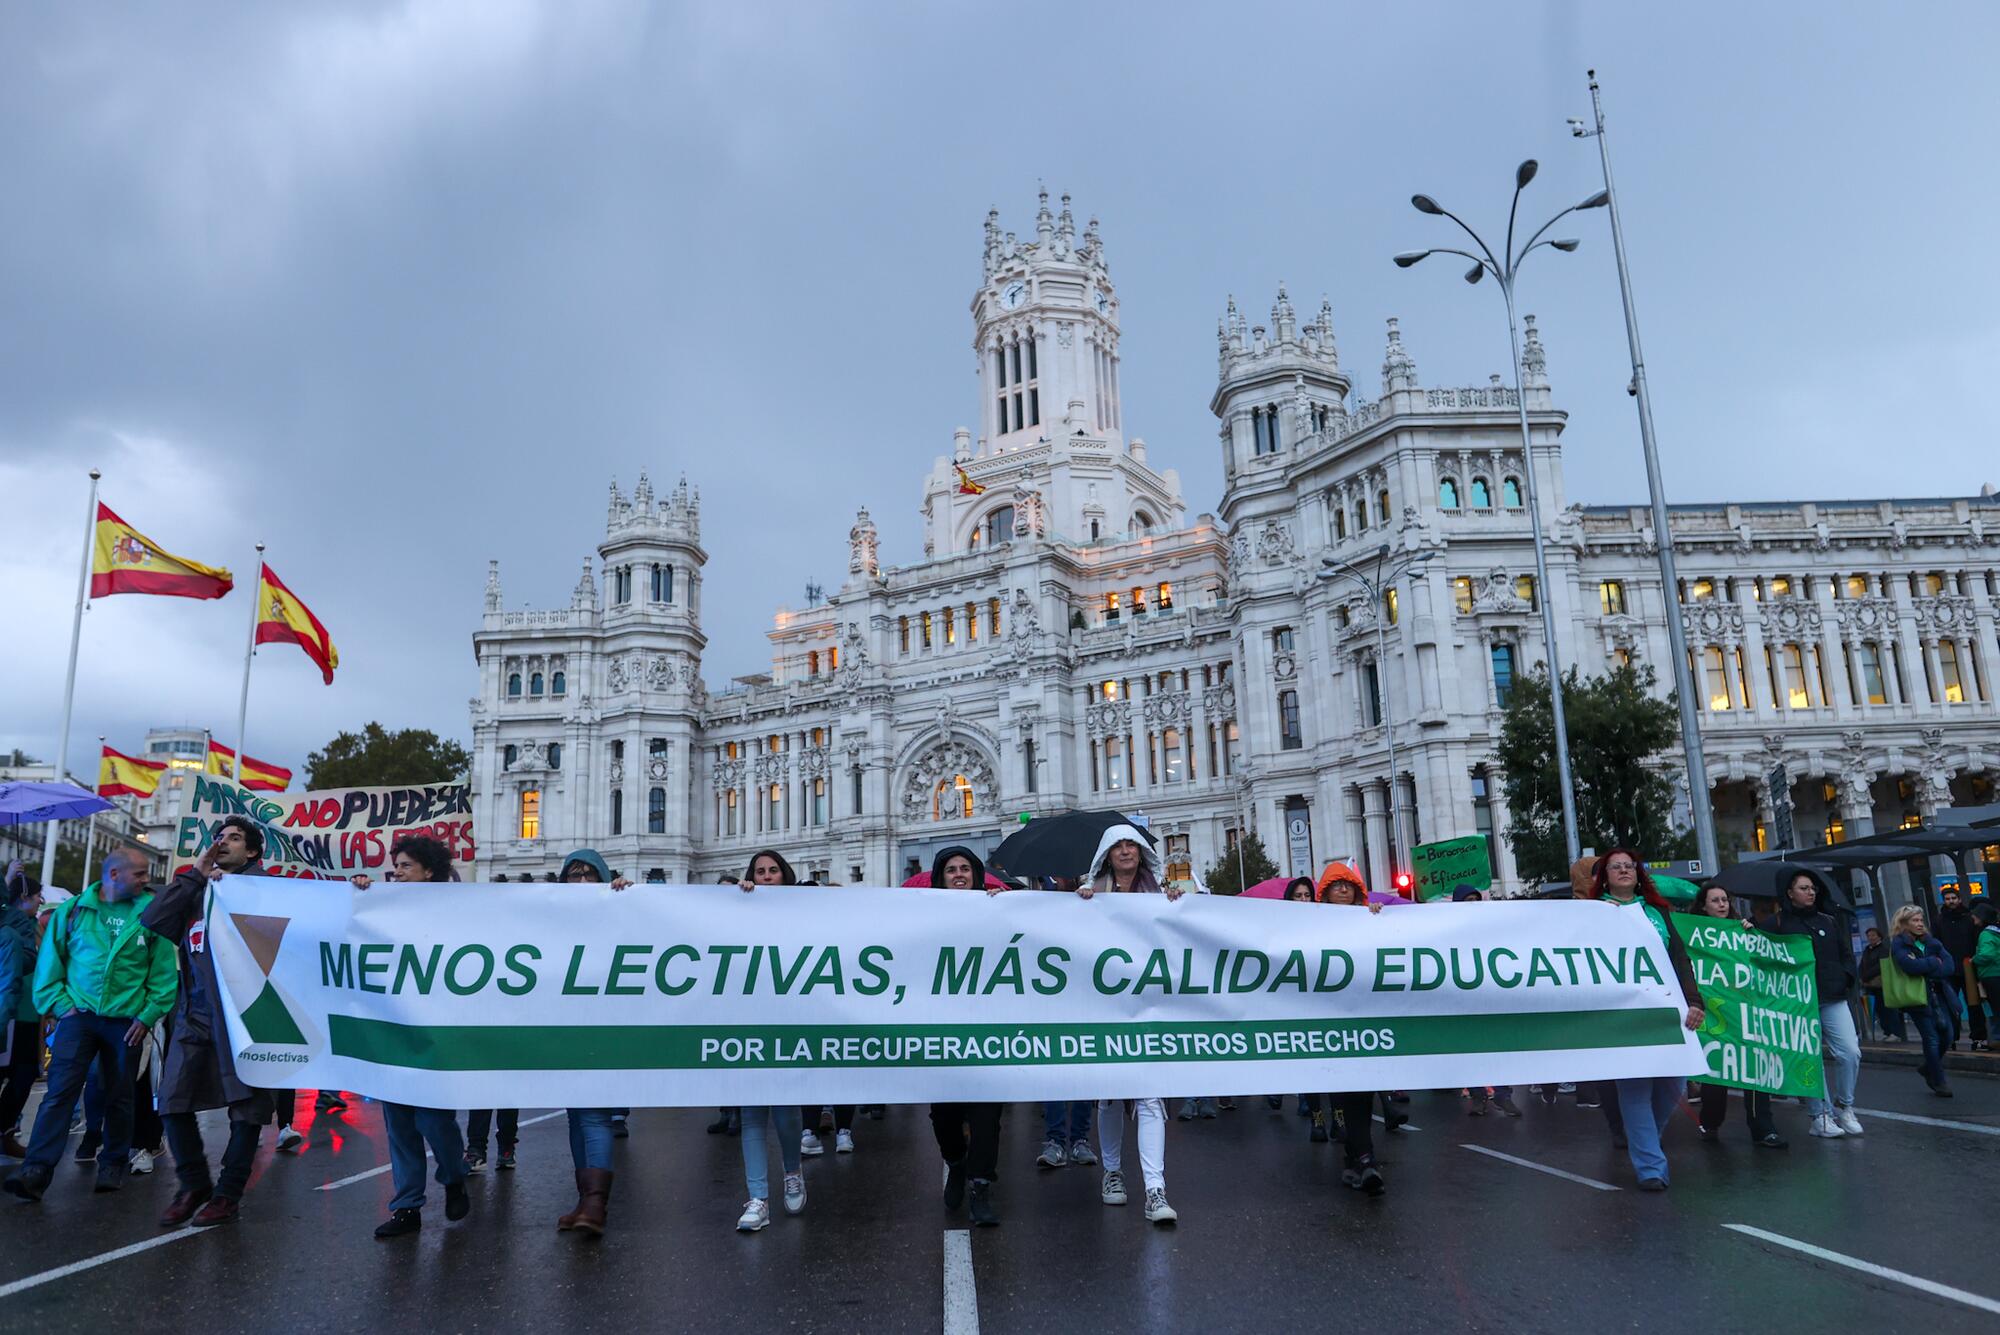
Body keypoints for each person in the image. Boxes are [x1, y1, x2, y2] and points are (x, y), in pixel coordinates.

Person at [3, 850, 177, 1202]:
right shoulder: (74, 911)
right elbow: (50, 967)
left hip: (126, 1023)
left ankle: (112, 1162)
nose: (146, 880)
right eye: (140, 873)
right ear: (114, 874)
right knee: (59, 1095)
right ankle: (36, 1170)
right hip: (77, 1019)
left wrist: (146, 1016)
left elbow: (163, 976)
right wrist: (63, 1007)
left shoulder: (151, 915)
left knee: (119, 1094)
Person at [350, 836, 473, 1238]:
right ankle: (406, 1207)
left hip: (437, 1032)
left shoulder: (458, 912)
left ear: (430, 872)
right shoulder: (383, 907)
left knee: (435, 1121)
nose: (396, 873)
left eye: (405, 867)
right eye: (395, 867)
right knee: (399, 1124)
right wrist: (360, 896)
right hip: (394, 1030)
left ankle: (454, 1175)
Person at [1579, 848, 1704, 1191]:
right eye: (1615, 867)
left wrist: (1694, 1000)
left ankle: (1641, 1136)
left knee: (1672, 1085)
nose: (1623, 870)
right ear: (1604, 876)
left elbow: (1680, 959)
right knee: (1634, 1088)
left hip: (1664, 1008)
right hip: (1620, 1012)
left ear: (1638, 873)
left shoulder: (1658, 912)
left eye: (1629, 866)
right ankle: (1651, 1167)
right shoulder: (1592, 913)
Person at [1078, 826, 1185, 1224]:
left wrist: (1177, 904)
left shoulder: (1160, 894)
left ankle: (1155, 1190)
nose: (1125, 852)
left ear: (1141, 854)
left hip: (1149, 1009)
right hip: (1106, 1008)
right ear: (1107, 854)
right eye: (1118, 846)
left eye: (1132, 846)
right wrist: (1082, 903)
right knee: (1108, 1094)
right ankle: (1112, 1173)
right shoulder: (1091, 894)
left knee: (1150, 1096)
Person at [927, 845, 1009, 1225]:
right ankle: (957, 1162)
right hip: (940, 1032)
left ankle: (981, 1186)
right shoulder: (919, 915)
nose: (958, 874)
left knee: (986, 1116)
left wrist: (1004, 909)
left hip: (988, 1030)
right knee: (943, 1116)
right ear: (940, 877)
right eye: (950, 870)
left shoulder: (997, 909)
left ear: (976, 875)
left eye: (965, 869)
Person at [550, 848, 630, 1236]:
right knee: (576, 1113)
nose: (581, 882)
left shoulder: (619, 905)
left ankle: (596, 1204)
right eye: (574, 875)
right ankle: (585, 1199)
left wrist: (627, 897)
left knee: (595, 1111)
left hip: (604, 1024)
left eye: (589, 875)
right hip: (565, 1025)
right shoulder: (552, 917)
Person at [732, 850, 808, 1232]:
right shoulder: (741, 907)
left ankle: (792, 1170)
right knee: (751, 1113)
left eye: (773, 871)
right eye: (759, 872)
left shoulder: (803, 910)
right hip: (748, 1020)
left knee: (785, 1112)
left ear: (785, 875)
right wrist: (736, 900)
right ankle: (757, 1197)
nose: (765, 877)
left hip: (788, 1020)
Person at [1766, 870, 1862, 1139]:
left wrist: (1845, 978)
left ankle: (1846, 1106)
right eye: (1804, 888)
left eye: (1813, 889)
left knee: (1850, 1052)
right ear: (1789, 892)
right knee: (1809, 1058)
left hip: (1832, 996)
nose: (1811, 892)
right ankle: (1819, 1115)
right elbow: (1758, 952)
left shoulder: (1829, 921)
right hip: (1797, 1002)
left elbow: (1845, 955)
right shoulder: (1777, 923)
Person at [1689, 885, 1786, 1149]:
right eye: (1715, 900)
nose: (1721, 904)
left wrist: (1752, 935)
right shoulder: (1692, 934)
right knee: (1718, 1073)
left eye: (1725, 900)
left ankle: (1763, 1128)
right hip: (1715, 1014)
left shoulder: (1742, 930)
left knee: (1754, 1067)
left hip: (1745, 1011)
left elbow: (1762, 962)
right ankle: (1710, 1121)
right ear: (1703, 906)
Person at [1450, 885, 1522, 1118]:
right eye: (1466, 900)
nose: (1472, 903)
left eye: (1475, 898)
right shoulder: (1447, 928)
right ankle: (1478, 1095)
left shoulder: (1492, 925)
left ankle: (1503, 1095)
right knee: (1468, 1050)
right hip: (1462, 1000)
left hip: (1490, 998)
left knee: (1498, 1047)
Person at [1885, 905, 1956, 1097]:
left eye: (1920, 920)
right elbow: (1909, 966)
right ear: (1904, 923)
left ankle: (1928, 1067)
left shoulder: (1931, 942)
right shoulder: (1899, 943)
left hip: (1939, 994)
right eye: (1915, 920)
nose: (1919, 924)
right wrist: (1933, 963)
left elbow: (1949, 966)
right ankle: (1938, 1080)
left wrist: (1927, 967)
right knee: (1931, 1038)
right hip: (1916, 998)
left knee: (1948, 1035)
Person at [0, 864, 41, 1159]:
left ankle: (5, 1131)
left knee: (24, 1075)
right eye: (37, 894)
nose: (40, 900)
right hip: (10, 1011)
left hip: (24, 1014)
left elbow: (30, 962)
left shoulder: (23, 925)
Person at [707, 873, 744, 1138]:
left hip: (741, 998)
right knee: (719, 1060)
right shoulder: (709, 921)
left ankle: (738, 1114)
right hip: (717, 999)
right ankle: (725, 1111)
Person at [1934, 886, 1984, 1048]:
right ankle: (1951, 1037)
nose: (1951, 901)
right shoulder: (1939, 920)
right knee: (1949, 1005)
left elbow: (1977, 940)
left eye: (1953, 898)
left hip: (1968, 966)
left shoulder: (1969, 918)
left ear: (1959, 899)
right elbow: (1936, 943)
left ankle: (1978, 1037)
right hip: (1948, 969)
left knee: (1974, 1003)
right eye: (1947, 899)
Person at [1858, 926, 1905, 1041]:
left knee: (1888, 1008)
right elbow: (1862, 964)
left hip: (1882, 984)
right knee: (1878, 1009)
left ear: (1879, 936)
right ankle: (1887, 1031)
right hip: (1869, 984)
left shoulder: (1884, 949)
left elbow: (1880, 966)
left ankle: (1895, 1032)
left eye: (1873, 935)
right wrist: (1861, 976)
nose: (1871, 938)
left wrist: (1866, 975)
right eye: (1869, 936)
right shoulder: (1866, 950)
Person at [1971, 900, 2000, 1045]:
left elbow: (1987, 955)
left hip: (1991, 975)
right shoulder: (1996, 931)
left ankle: (1997, 1038)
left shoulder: (1986, 934)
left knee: (1995, 1009)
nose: (1973, 918)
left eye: (1975, 915)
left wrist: (1974, 959)